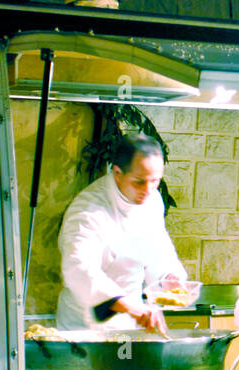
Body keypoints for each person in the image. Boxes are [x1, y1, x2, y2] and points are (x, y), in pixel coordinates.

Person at [56, 133, 186, 333]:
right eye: (139, 181)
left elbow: (158, 249)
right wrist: (128, 305)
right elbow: (79, 269)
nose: (149, 190)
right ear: (117, 172)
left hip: (129, 325)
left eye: (155, 181)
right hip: (84, 327)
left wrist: (169, 277)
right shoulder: (88, 210)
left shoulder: (152, 202)